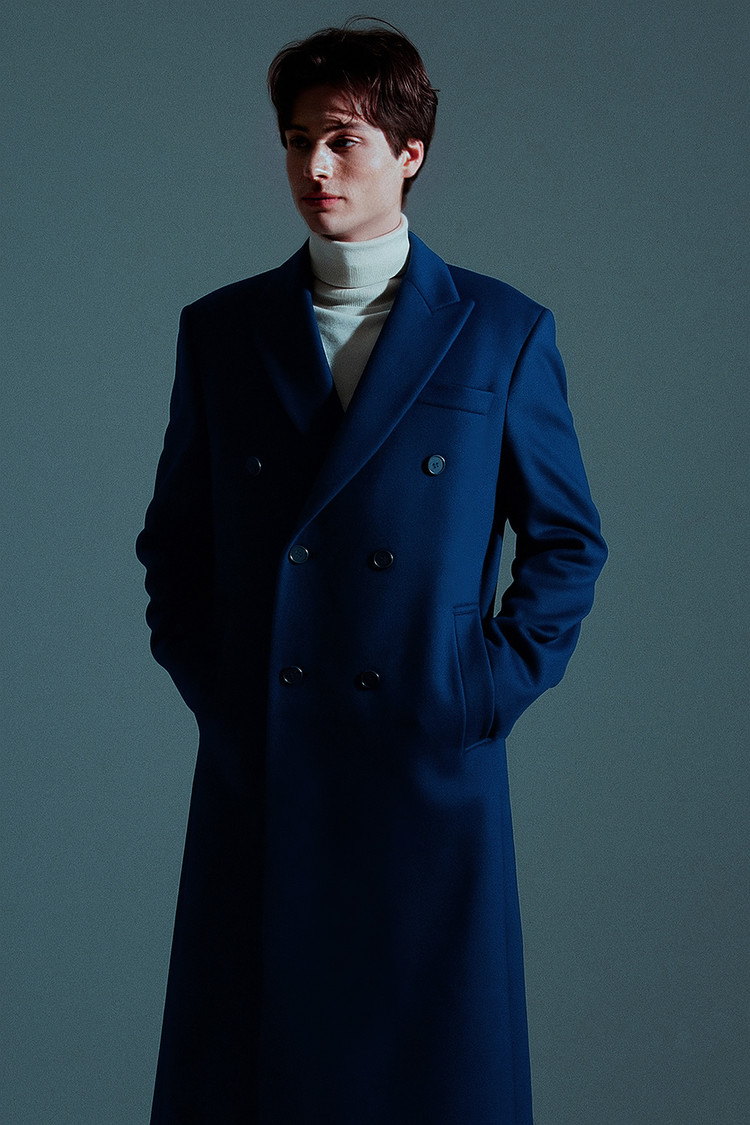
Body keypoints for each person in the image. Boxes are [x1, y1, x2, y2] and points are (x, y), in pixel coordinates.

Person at [136, 20, 607, 1125]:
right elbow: (174, 544)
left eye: (344, 139)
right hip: (271, 765)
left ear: (410, 152)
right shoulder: (222, 331)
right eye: (298, 140)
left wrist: (479, 690)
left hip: (425, 763)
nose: (315, 167)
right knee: (260, 1074)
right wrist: (228, 695)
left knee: (428, 1078)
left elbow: (567, 540)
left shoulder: (499, 331)